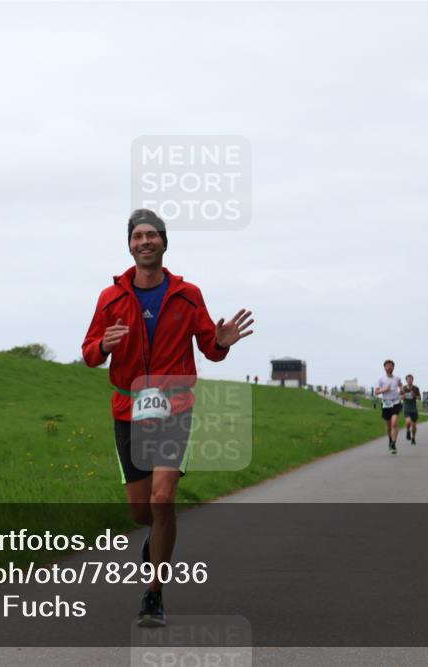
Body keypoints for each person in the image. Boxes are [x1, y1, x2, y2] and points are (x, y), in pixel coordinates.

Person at [82, 209, 253, 627]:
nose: (145, 242)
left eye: (152, 235)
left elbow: (210, 350)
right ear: (129, 244)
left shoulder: (188, 294)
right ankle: (154, 544)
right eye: (137, 236)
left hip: (174, 407)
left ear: (163, 241)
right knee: (142, 513)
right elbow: (88, 353)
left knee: (163, 500)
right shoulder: (111, 298)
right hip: (127, 409)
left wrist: (222, 341)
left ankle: (153, 594)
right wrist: (103, 344)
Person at [374, 359, 403, 454]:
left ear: (393, 367)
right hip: (386, 403)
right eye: (387, 366)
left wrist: (402, 390)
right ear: (385, 368)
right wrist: (384, 390)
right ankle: (390, 439)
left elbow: (401, 385)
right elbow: (376, 392)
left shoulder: (397, 378)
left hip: (395, 402)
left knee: (394, 423)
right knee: (388, 425)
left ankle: (394, 443)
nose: (389, 367)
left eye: (391, 365)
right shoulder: (381, 379)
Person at [402, 375, 421, 445]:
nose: (409, 380)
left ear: (412, 380)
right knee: (408, 422)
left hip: (414, 409)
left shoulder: (416, 388)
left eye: (411, 379)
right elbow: (400, 397)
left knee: (414, 426)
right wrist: (403, 397)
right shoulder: (403, 388)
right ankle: (407, 431)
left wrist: (414, 395)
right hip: (406, 408)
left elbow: (419, 398)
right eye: (408, 379)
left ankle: (413, 437)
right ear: (406, 380)